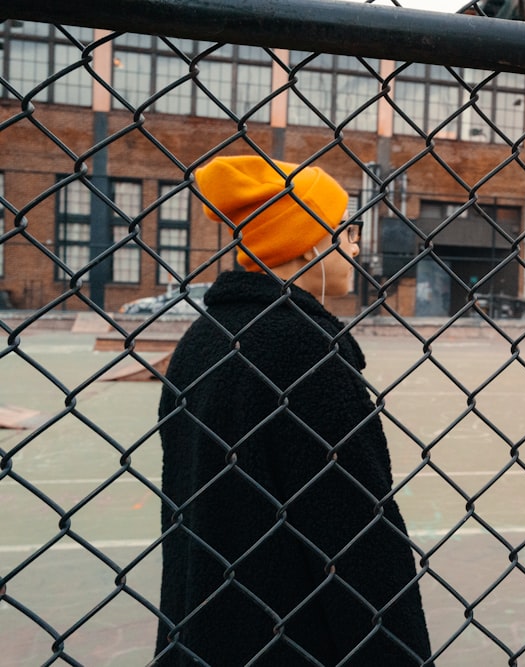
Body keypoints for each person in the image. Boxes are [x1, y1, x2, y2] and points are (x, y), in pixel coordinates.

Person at [155, 155, 433, 666]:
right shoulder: (305, 350)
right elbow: (361, 542)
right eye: (345, 229)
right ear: (307, 239)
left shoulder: (203, 339)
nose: (354, 244)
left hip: (205, 633)